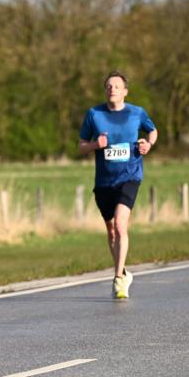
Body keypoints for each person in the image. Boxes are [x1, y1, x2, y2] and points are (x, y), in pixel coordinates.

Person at [78, 70, 157, 299]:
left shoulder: (137, 113)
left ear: (125, 91)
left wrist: (147, 144)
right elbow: (81, 146)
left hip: (129, 176)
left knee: (121, 225)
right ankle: (123, 271)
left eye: (116, 86)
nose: (112, 89)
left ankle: (118, 279)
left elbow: (152, 131)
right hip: (104, 182)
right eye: (108, 86)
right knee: (112, 231)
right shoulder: (94, 114)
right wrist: (95, 144)